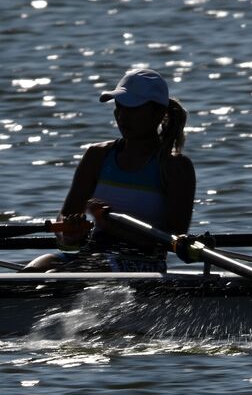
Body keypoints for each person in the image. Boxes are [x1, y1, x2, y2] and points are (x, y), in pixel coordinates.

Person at [25, 69, 195, 272]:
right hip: (93, 255)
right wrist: (70, 233)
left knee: (55, 277)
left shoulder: (175, 167)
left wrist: (112, 227)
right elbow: (66, 219)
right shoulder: (96, 156)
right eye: (119, 107)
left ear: (158, 113)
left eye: (132, 109)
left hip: (144, 263)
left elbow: (173, 241)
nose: (122, 116)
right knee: (38, 266)